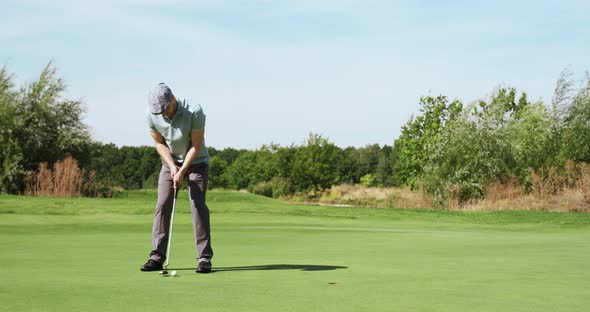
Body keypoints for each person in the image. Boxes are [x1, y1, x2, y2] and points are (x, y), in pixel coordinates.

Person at [140, 83, 213, 273]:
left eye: (166, 108)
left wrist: (182, 171)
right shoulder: (151, 114)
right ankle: (156, 256)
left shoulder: (194, 111)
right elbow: (159, 143)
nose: (163, 114)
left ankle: (204, 258)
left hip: (196, 162)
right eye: (159, 111)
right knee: (163, 203)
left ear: (173, 99)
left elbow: (196, 145)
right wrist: (173, 166)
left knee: (197, 205)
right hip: (169, 162)